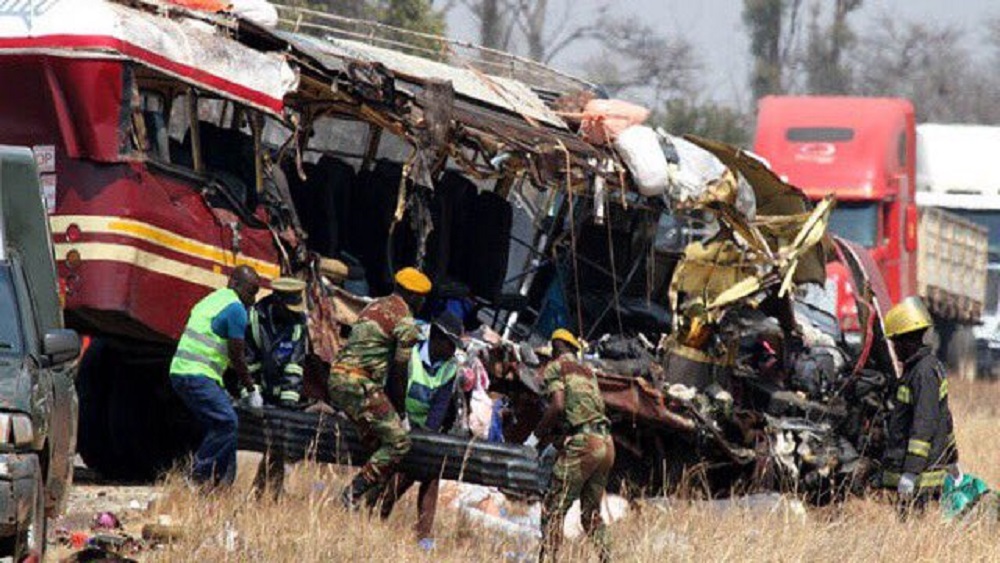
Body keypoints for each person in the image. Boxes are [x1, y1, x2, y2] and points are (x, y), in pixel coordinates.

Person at [328, 267, 431, 509]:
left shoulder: (373, 306)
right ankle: (351, 496)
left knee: (377, 445)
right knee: (399, 443)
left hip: (338, 379)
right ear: (414, 296)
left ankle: (367, 505)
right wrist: (402, 414)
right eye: (422, 297)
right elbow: (399, 372)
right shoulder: (405, 320)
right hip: (359, 383)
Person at [377, 311, 465, 549]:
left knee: (429, 470)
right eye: (450, 345)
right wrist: (402, 421)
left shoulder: (450, 368)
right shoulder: (410, 355)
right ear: (437, 340)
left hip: (425, 427)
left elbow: (440, 407)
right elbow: (393, 388)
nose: (453, 351)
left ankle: (423, 535)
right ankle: (380, 513)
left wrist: (427, 437)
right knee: (401, 470)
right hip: (398, 419)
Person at [170, 265, 260, 488]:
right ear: (235, 285)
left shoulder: (213, 299)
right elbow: (237, 356)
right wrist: (251, 389)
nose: (253, 299)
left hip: (182, 371)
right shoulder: (236, 309)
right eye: (251, 292)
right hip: (197, 374)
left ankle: (221, 486)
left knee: (223, 425)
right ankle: (196, 478)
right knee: (227, 422)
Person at [530, 329, 614, 563]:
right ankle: (607, 558)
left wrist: (534, 438)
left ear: (556, 347)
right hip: (606, 443)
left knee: (553, 506)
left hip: (584, 443)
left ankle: (548, 559)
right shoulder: (589, 372)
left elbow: (557, 406)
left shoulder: (556, 368)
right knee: (591, 514)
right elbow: (585, 410)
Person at [882, 296, 959, 515]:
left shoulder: (923, 373)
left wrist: (911, 473)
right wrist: (952, 457)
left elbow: (924, 424)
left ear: (908, 342)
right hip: (923, 471)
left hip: (921, 474)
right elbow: (945, 419)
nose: (895, 349)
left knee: (911, 525)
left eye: (896, 342)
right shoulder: (923, 368)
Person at [246, 277, 309, 499]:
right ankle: (256, 491)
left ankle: (271, 493)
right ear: (277, 300)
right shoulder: (254, 318)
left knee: (279, 443)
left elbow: (294, 365)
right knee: (259, 442)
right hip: (257, 392)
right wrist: (251, 392)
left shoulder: (298, 324)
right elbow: (248, 362)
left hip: (281, 395)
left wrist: (288, 406)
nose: (293, 312)